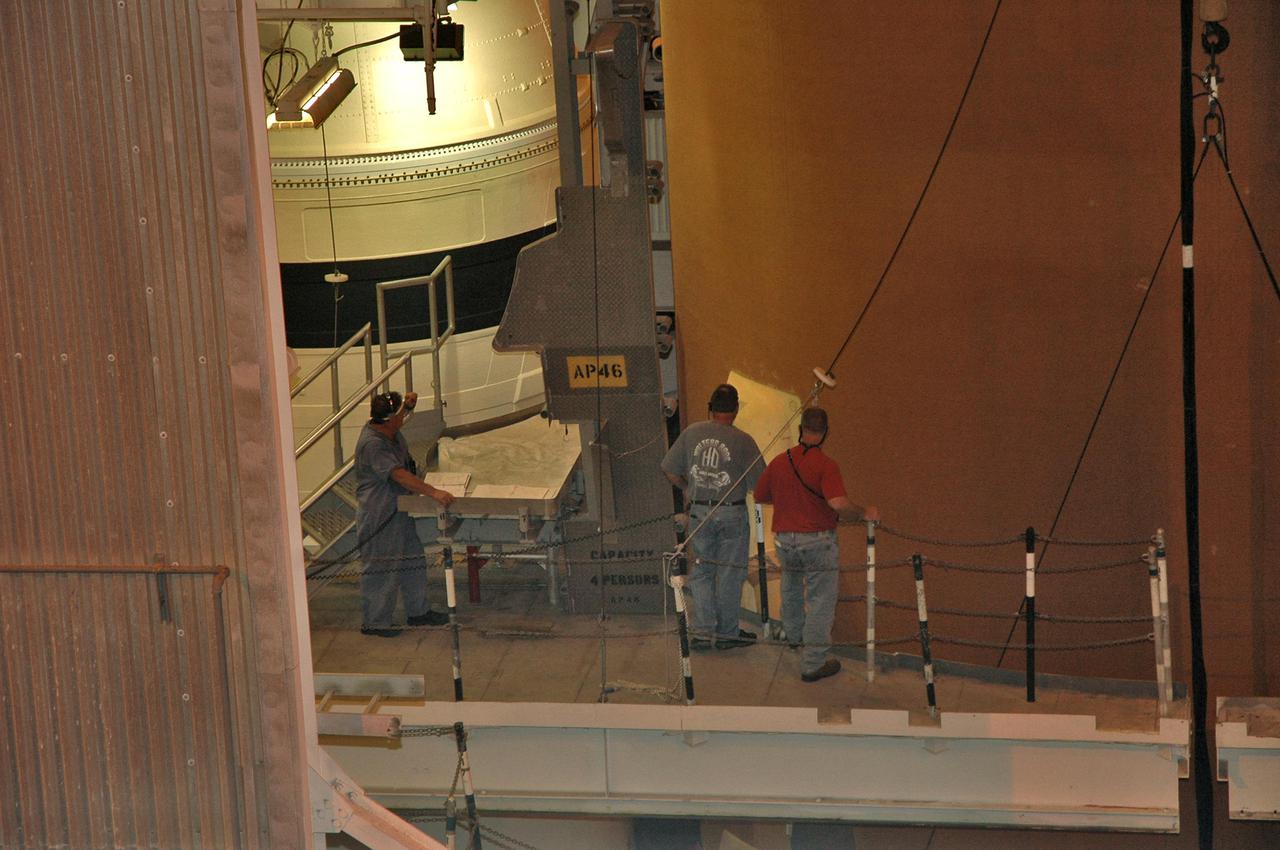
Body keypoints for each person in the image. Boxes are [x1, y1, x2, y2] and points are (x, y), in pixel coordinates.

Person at [754, 407, 877, 681]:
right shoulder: (826, 465)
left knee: (791, 589)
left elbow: (761, 494)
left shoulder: (779, 461)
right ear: (825, 433)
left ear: (801, 429)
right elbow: (838, 504)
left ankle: (795, 638)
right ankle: (812, 663)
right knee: (821, 601)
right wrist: (863, 512)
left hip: (785, 539)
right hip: (818, 540)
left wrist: (790, 502)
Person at [661, 384, 765, 650]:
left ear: (710, 408)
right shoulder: (744, 440)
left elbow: (669, 469)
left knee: (702, 572)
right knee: (730, 574)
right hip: (731, 511)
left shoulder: (691, 432)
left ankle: (704, 633)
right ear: (736, 410)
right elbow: (759, 485)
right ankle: (729, 635)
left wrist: (688, 489)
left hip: (699, 511)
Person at [355, 390, 456, 637]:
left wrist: (408, 405)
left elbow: (401, 416)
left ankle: (418, 612)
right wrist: (433, 492)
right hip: (380, 514)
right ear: (390, 419)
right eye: (402, 412)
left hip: (399, 510)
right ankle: (376, 622)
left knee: (413, 560)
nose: (405, 416)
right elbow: (398, 475)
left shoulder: (390, 430)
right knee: (383, 568)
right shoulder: (374, 444)